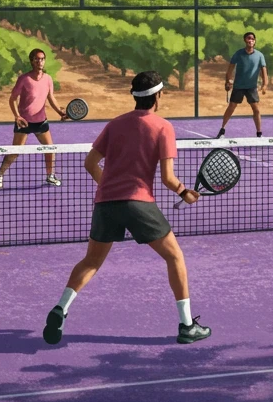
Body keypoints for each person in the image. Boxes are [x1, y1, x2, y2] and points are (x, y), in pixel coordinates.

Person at [42, 70, 212, 346]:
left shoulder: (115, 124)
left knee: (92, 262)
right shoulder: (163, 127)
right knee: (175, 258)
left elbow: (90, 164)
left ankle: (60, 308)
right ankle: (186, 325)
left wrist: (108, 187)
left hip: (105, 203)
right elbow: (168, 178)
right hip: (138, 202)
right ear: (157, 96)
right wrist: (185, 193)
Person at [0, 48, 67, 189]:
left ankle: (50, 176)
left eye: (42, 59)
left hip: (41, 122)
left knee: (50, 149)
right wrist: (17, 117)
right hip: (24, 122)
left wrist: (60, 112)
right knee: (15, 152)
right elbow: (12, 99)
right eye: (37, 59)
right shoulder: (24, 79)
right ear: (32, 61)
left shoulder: (48, 79)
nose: (40, 61)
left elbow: (51, 97)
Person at [216, 31, 268, 138]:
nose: (251, 40)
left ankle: (259, 133)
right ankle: (222, 130)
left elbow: (264, 72)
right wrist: (227, 81)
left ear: (255, 41)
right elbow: (230, 69)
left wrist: (264, 85)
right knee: (231, 107)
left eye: (252, 39)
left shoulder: (260, 55)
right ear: (245, 40)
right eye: (248, 38)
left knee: (256, 109)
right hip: (238, 86)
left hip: (251, 87)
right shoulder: (238, 54)